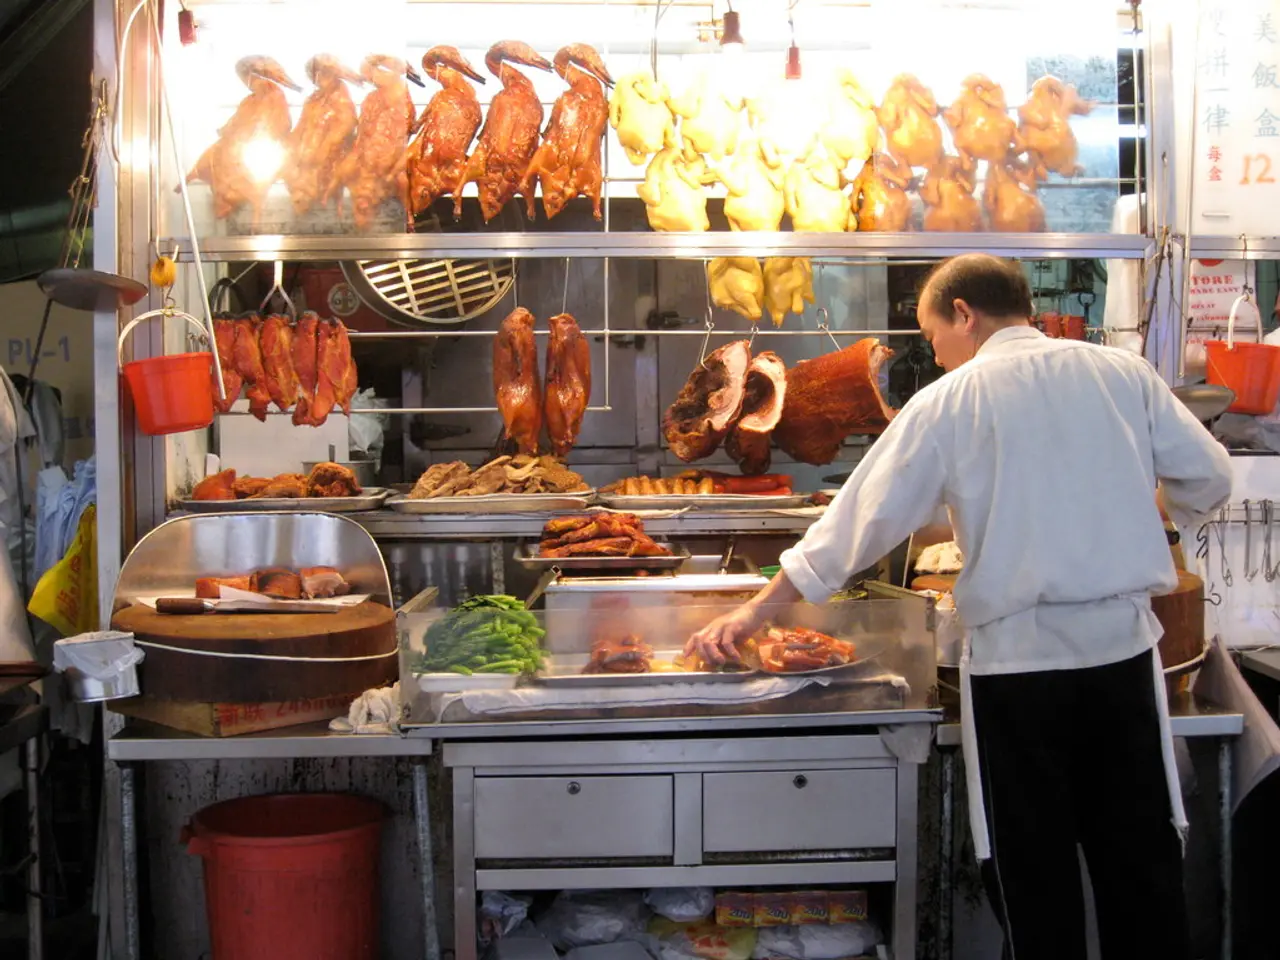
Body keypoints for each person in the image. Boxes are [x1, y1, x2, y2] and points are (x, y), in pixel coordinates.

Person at [688, 253, 1232, 959]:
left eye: (933, 334)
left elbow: (855, 523)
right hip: (1123, 663)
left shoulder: (951, 400)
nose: (936, 353)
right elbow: (1210, 476)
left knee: (1035, 887)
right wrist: (1154, 514)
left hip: (1017, 673)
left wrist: (757, 611)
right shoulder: (1121, 373)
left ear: (964, 314)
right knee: (1143, 874)